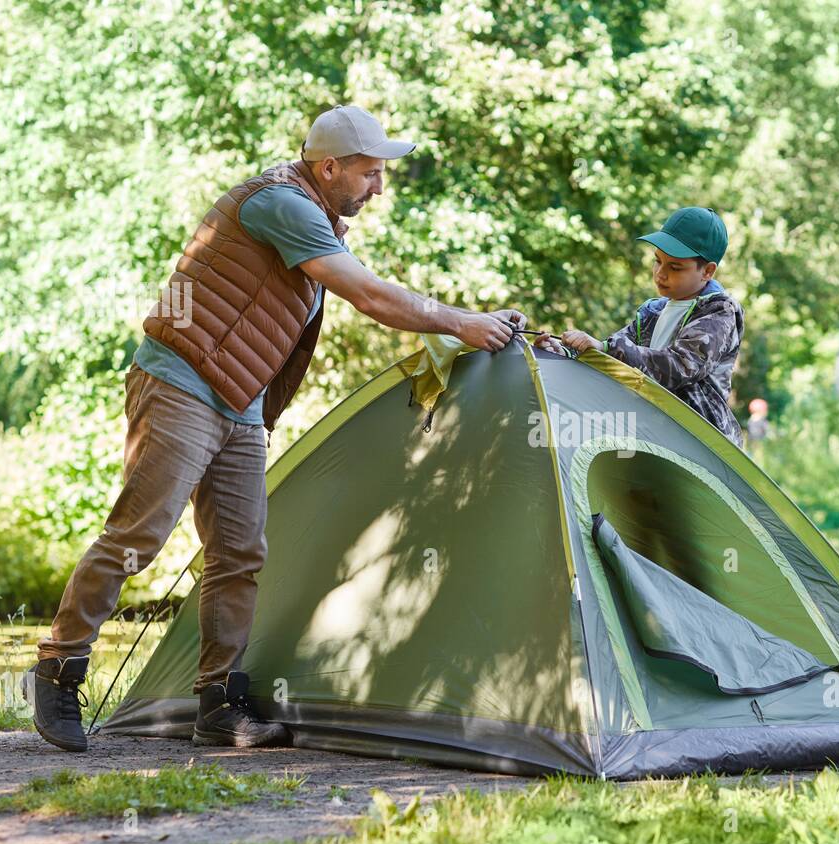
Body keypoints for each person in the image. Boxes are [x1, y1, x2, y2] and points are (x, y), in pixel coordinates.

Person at [27, 105, 526, 753]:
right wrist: (461, 321)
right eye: (370, 174)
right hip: (180, 383)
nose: (379, 188)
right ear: (329, 167)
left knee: (240, 554)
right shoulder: (281, 204)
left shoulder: (316, 217)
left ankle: (218, 704)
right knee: (138, 537)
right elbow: (370, 296)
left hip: (240, 406)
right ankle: (58, 669)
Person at [535, 207, 744, 446]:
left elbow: (680, 367)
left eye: (675, 267)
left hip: (698, 443)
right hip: (647, 432)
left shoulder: (719, 311)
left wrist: (607, 347)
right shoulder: (653, 312)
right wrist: (564, 352)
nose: (660, 274)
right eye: (657, 261)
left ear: (707, 271)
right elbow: (607, 356)